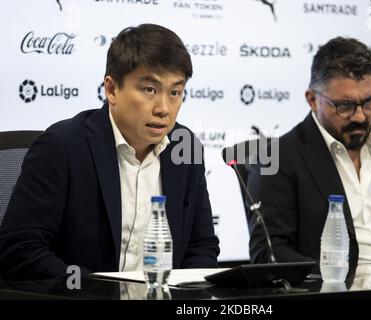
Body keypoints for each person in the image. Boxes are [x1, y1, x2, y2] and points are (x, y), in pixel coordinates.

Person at [0, 24, 219, 280]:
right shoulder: (62, 146)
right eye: (150, 89)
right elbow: (20, 250)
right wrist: (96, 290)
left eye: (175, 92)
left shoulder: (185, 147)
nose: (164, 108)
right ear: (112, 89)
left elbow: (201, 246)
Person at [248, 37, 371, 268]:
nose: (360, 116)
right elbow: (270, 253)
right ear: (312, 100)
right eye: (345, 106)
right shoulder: (278, 158)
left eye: (369, 103)